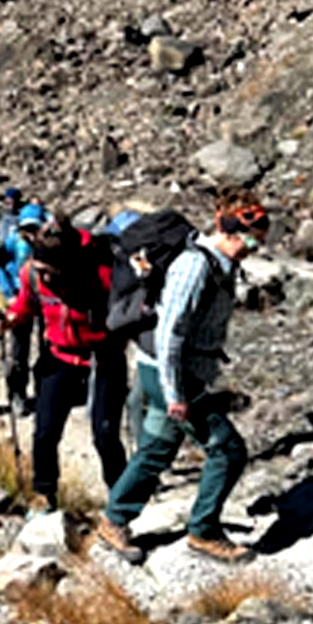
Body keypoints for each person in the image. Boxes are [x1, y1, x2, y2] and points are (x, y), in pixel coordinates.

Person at [94, 191, 271, 565]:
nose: (255, 248)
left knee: (158, 446)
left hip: (169, 370)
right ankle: (203, 531)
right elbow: (170, 331)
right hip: (171, 373)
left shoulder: (218, 264)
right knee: (227, 449)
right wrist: (176, 393)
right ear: (232, 230)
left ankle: (114, 519)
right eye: (253, 239)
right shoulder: (195, 266)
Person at [0, 221, 129, 513]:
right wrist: (10, 319)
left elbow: (127, 309)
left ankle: (121, 499)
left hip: (103, 358)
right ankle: (45, 494)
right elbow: (26, 305)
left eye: (49, 271)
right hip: (59, 356)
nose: (43, 276)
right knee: (44, 432)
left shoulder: (103, 273)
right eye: (39, 268)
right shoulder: (33, 275)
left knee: (105, 433)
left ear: (68, 264)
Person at [0, 202, 47, 415]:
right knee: (19, 351)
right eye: (26, 228)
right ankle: (16, 395)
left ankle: (45, 394)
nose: (30, 233)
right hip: (19, 300)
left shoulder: (48, 245)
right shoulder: (13, 242)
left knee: (47, 349)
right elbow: (0, 266)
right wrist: (7, 293)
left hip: (44, 301)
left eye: (34, 228)